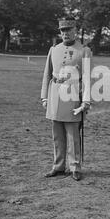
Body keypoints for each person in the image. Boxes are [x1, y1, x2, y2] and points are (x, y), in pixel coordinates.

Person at [41, 16, 92, 181]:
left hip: (72, 95)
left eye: (69, 30)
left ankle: (75, 166)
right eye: (63, 30)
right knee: (57, 134)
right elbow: (47, 74)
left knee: (72, 134)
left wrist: (86, 101)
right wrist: (44, 97)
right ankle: (58, 166)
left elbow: (87, 78)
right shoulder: (53, 50)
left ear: (75, 31)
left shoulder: (83, 50)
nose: (65, 33)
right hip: (55, 95)